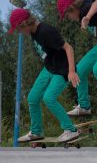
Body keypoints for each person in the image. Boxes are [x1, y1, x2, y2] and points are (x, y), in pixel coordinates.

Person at [8, 8, 80, 143]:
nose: (19, 32)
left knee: (49, 98)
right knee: (33, 98)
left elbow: (68, 48)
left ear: (24, 23)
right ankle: (36, 132)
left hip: (62, 69)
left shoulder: (46, 31)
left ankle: (71, 130)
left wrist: (71, 71)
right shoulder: (33, 32)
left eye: (19, 29)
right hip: (49, 68)